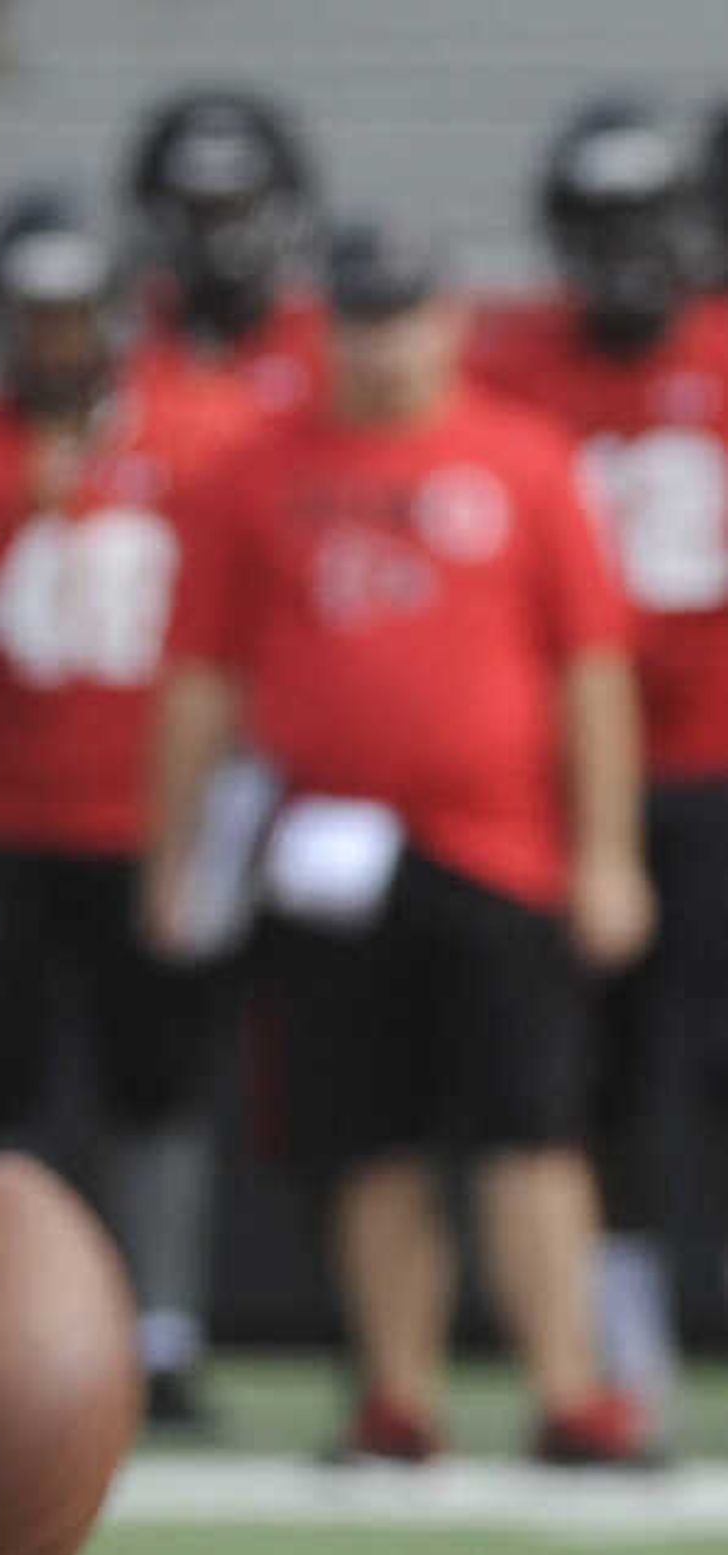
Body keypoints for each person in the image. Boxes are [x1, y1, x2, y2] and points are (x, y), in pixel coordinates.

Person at [147, 222, 654, 1466]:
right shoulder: (256, 470)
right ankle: (397, 1393)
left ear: (449, 322)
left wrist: (607, 850)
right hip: (325, 851)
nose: (384, 344)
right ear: (333, 327)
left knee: (529, 1130)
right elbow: (202, 678)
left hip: (499, 847)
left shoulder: (525, 462)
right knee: (365, 1137)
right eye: (361, 319)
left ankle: (567, 1387)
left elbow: (590, 669)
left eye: (404, 316)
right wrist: (174, 853)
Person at [0, 189, 262, 1434]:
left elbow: (237, 639)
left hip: (148, 823)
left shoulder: (208, 431)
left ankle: (166, 1335)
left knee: (161, 1091)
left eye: (74, 313)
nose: (53, 340)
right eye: (33, 315)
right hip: (2, 815)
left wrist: (226, 811)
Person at [472, 97, 728, 1421]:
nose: (629, 253)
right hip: (575, 781)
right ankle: (626, 1335)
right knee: (604, 1071)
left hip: (722, 760)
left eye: (649, 222)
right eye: (603, 226)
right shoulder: (508, 370)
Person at [123, 87, 328, 415]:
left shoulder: (329, 344)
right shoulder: (122, 347)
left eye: (238, 210)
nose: (219, 237)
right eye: (202, 213)